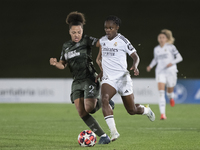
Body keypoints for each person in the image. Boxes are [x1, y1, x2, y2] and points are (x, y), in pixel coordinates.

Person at [49, 11, 112, 144]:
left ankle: (106, 102)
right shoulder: (66, 46)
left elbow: (102, 43)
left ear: (82, 31)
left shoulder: (87, 40)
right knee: (82, 112)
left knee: (90, 108)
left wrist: (99, 58)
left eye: (78, 32)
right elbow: (63, 64)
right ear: (69, 32)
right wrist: (56, 64)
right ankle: (104, 137)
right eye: (73, 32)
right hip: (76, 81)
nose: (76, 35)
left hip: (89, 77)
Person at [96, 15, 155, 142]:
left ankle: (146, 110)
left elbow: (135, 56)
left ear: (117, 27)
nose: (107, 30)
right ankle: (114, 132)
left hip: (123, 79)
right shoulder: (102, 41)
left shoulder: (123, 40)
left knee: (132, 110)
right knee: (104, 99)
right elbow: (101, 57)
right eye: (106, 28)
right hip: (109, 79)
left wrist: (135, 64)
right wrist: (102, 71)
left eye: (110, 28)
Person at [146, 29, 183, 120]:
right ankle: (163, 114)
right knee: (161, 93)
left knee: (169, 91)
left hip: (171, 71)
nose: (161, 39)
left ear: (166, 39)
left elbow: (179, 58)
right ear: (158, 39)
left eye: (163, 37)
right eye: (160, 37)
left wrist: (172, 62)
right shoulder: (156, 49)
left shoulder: (171, 47)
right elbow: (155, 59)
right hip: (160, 72)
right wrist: (150, 66)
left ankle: (171, 98)